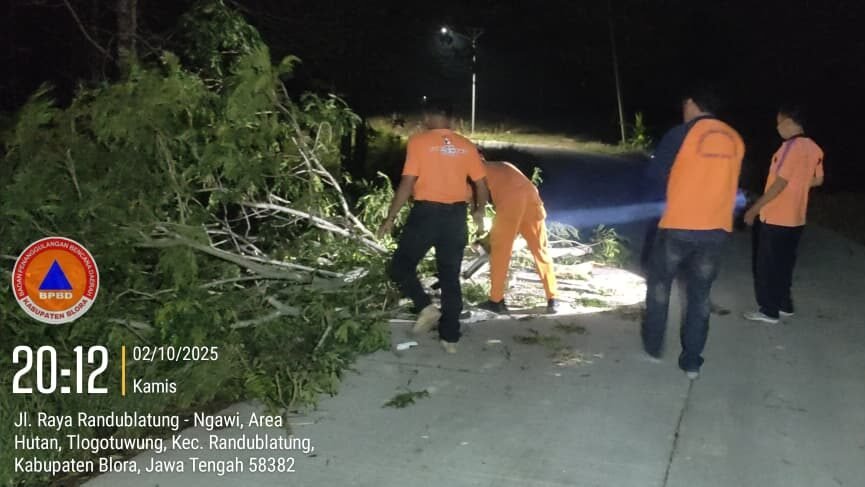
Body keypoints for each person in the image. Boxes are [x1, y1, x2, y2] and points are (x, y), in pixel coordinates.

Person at [641, 86, 745, 380]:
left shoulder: (680, 134)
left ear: (691, 103)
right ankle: (691, 362)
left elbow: (654, 175)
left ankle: (653, 346)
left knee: (660, 286)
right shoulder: (735, 138)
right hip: (715, 230)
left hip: (678, 225)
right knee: (700, 297)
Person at [377, 98, 489, 354]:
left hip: (426, 214)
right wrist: (479, 211)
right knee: (450, 275)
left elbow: (407, 182)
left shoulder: (419, 141)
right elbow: (481, 185)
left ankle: (425, 307)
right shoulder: (466, 145)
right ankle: (450, 338)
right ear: (451, 119)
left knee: (400, 266)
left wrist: (391, 217)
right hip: (456, 217)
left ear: (429, 116)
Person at [743, 106, 824, 324]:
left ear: (789, 122)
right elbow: (818, 180)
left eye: (779, 122)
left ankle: (768, 310)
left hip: (776, 217)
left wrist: (755, 208)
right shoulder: (814, 148)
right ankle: (784, 304)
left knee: (767, 266)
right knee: (785, 263)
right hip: (797, 218)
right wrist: (798, 185)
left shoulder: (790, 147)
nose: (777, 128)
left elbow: (780, 183)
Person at [473, 150, 559, 314]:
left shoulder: (476, 172)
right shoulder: (504, 165)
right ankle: (553, 299)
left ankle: (496, 300)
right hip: (532, 199)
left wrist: (478, 216)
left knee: (501, 252)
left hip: (511, 203)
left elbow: (473, 199)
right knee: (540, 250)